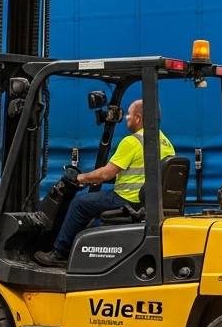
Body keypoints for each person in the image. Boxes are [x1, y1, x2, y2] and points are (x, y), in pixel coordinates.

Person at [34, 99, 175, 268]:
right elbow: (143, 172)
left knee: (79, 204)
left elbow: (106, 173)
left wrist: (79, 178)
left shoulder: (133, 142)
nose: (126, 118)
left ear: (138, 118)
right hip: (144, 202)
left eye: (128, 114)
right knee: (93, 206)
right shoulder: (166, 143)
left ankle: (59, 252)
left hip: (125, 200)